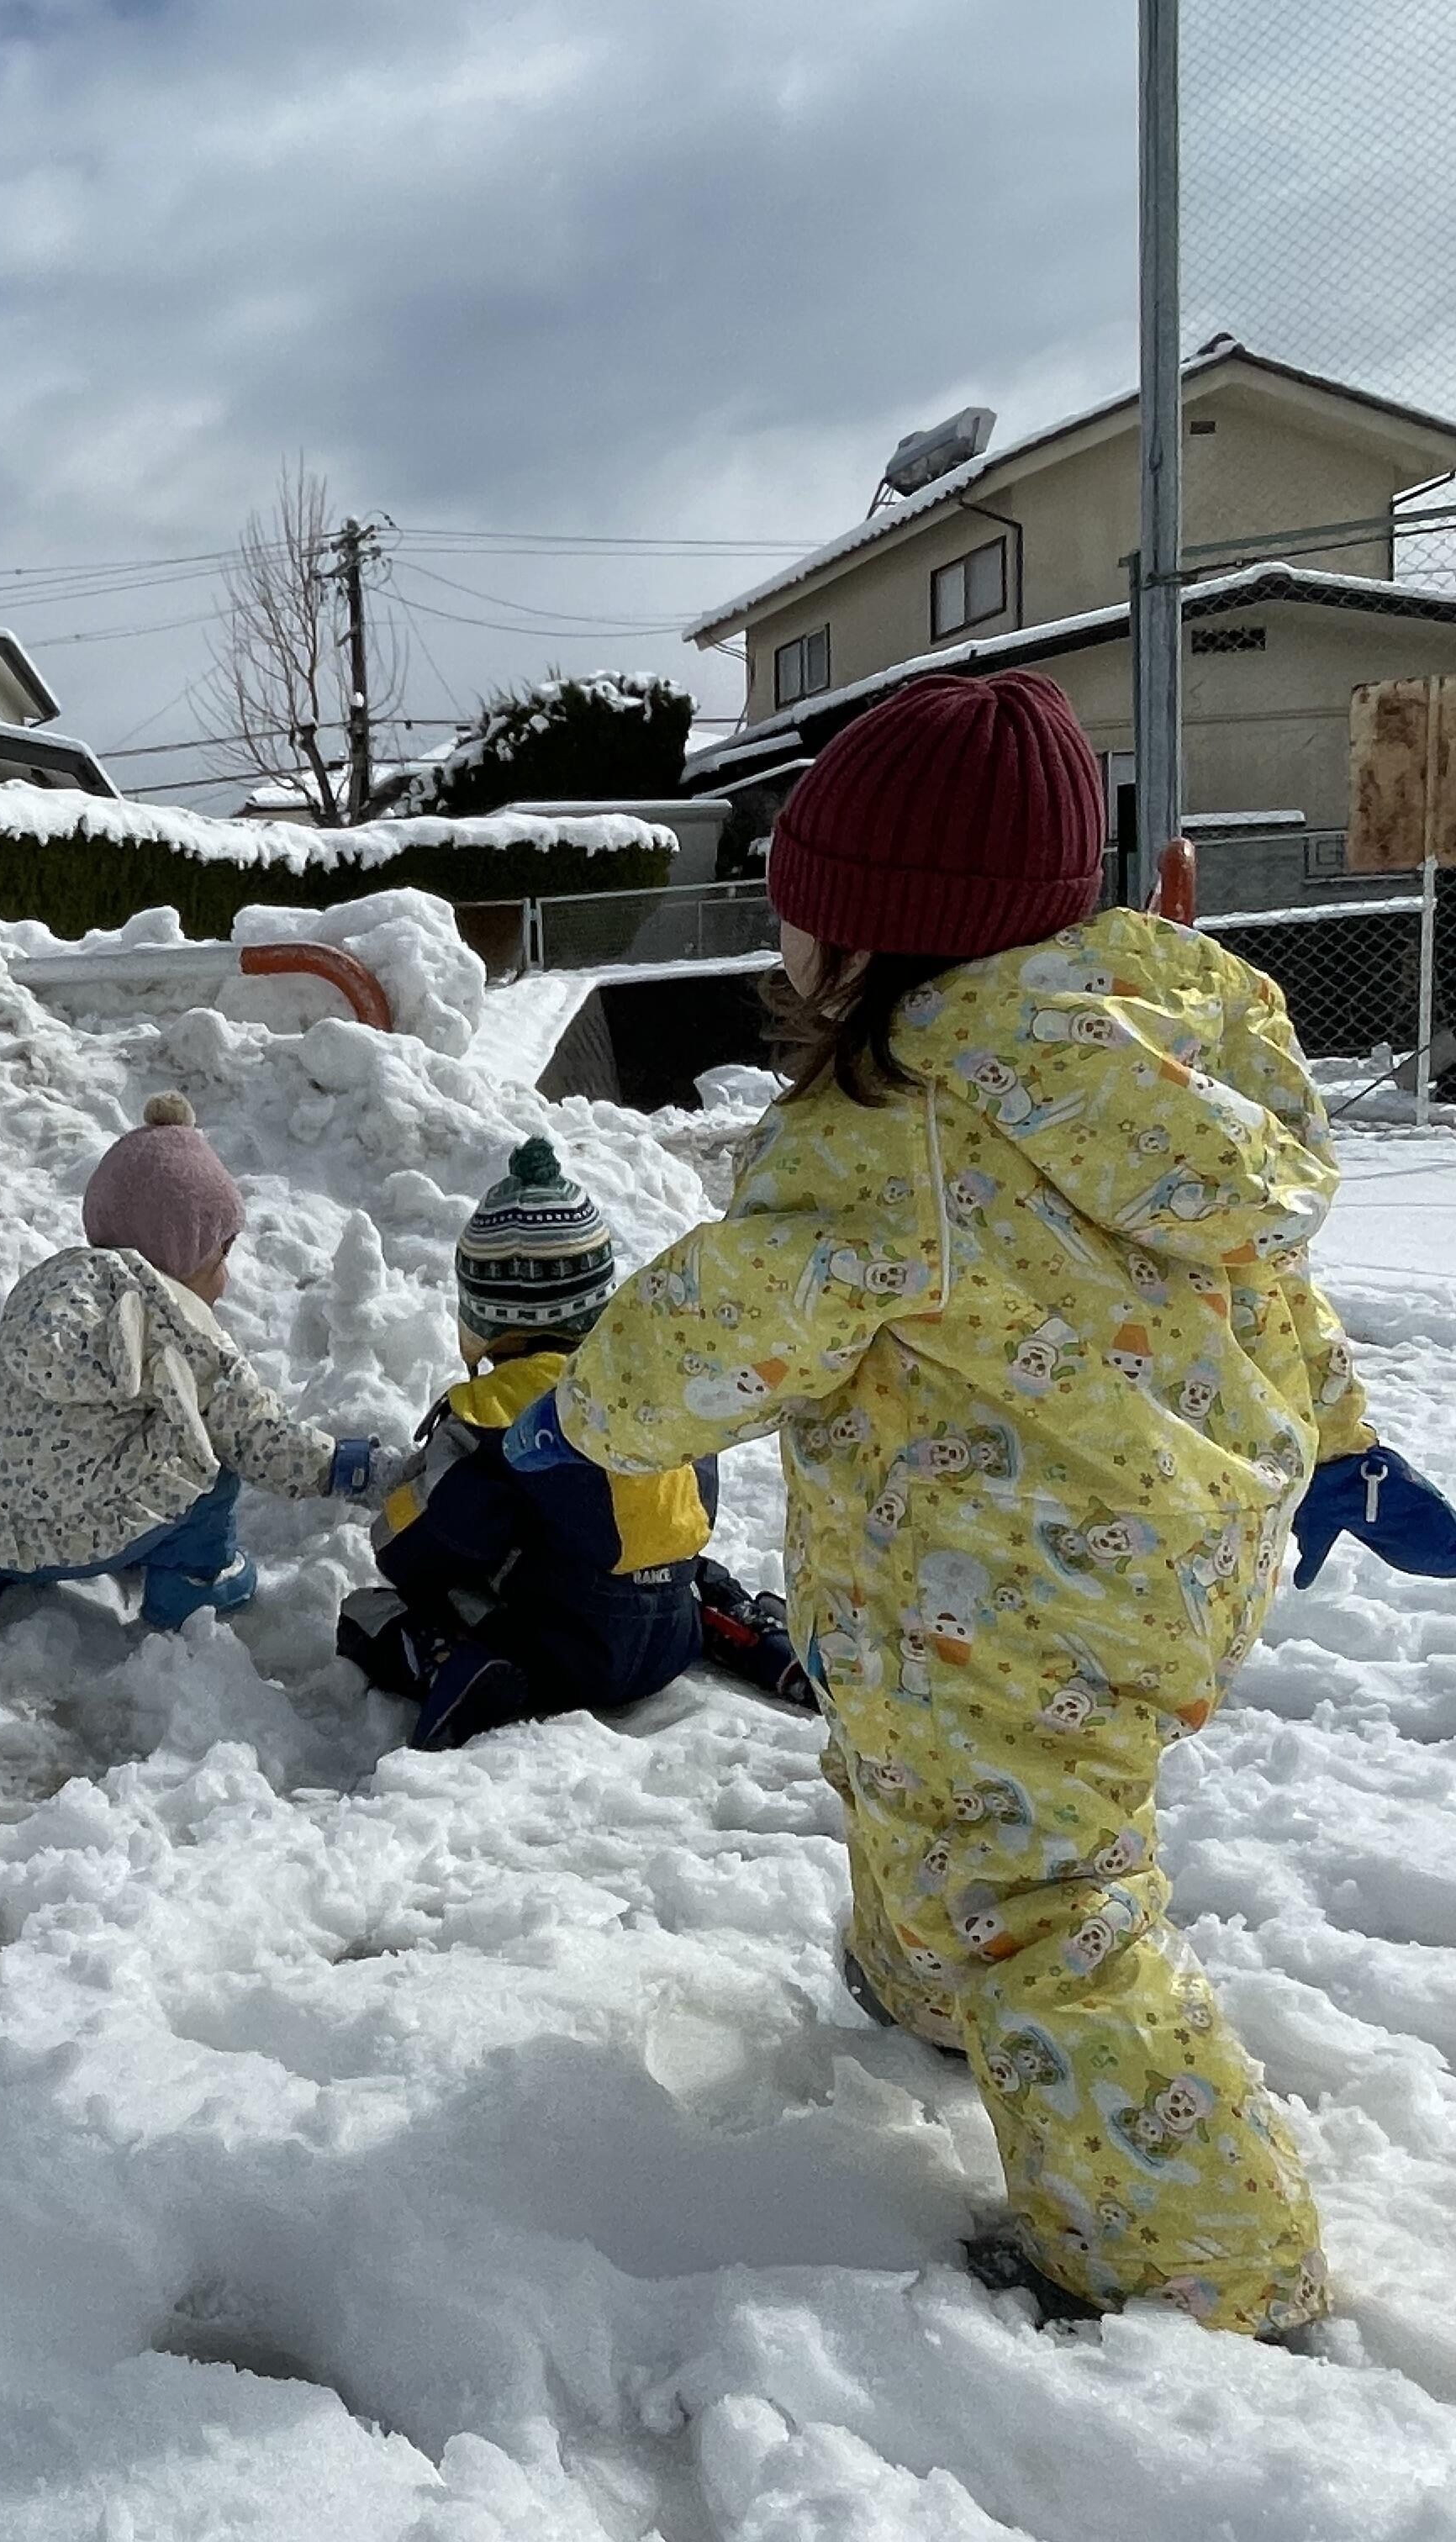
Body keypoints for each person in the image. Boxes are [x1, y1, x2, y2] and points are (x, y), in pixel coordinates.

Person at [508, 669, 1456, 2337]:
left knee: (1044, 1902)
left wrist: (587, 1410)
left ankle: (1202, 2262)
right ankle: (920, 1980)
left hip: (998, 1594)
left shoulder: (896, 1133)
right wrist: (1337, 1435)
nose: (786, 951)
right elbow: (1258, 1289)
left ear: (867, 940)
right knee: (921, 1782)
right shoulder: (1166, 1068)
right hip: (1143, 1563)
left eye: (802, 918)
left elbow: (723, 1324)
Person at [339, 1136, 804, 1749]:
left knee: (365, 1614)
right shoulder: (657, 1388)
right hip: (671, 1634)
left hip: (560, 1652)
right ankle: (742, 1629)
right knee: (689, 1570)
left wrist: (397, 1501)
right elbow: (695, 1506)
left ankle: (456, 1663)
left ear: (481, 1316)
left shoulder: (491, 1413)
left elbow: (426, 1544)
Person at [0, 1094, 387, 1646]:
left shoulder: (45, 1285)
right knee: (214, 1456)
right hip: (103, 1529)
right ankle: (191, 1586)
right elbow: (257, 1435)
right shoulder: (182, 1325)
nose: (224, 1277)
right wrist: (345, 1466)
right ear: (182, 1253)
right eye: (219, 1258)